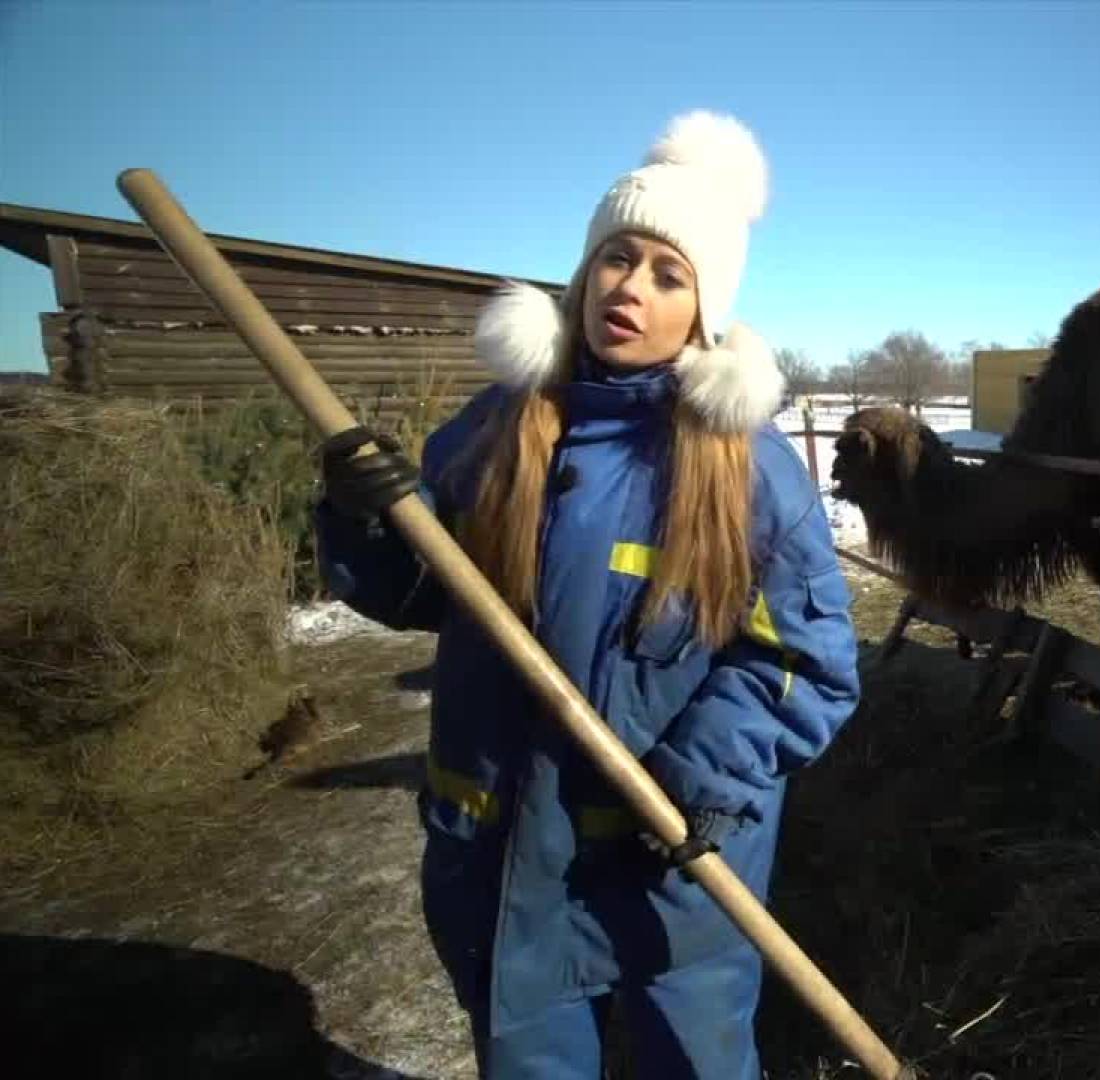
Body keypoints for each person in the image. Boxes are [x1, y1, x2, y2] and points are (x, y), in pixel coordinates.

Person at [312, 110, 862, 1079]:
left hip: (673, 871)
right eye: (617, 257)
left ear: (706, 309)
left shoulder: (745, 471)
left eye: (667, 273)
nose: (630, 289)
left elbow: (802, 663)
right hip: (497, 851)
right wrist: (366, 518)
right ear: (581, 271)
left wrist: (701, 784)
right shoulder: (497, 427)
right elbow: (412, 596)